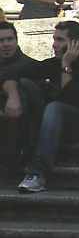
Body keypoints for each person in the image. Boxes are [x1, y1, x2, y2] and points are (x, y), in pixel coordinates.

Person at [5, 20, 79, 194]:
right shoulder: (55, 62)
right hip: (57, 121)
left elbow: (71, 100)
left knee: (55, 107)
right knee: (24, 84)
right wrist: (13, 96)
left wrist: (66, 67)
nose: (54, 44)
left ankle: (37, 173)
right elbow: (14, 74)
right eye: (54, 39)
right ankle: (23, 147)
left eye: (60, 40)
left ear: (75, 43)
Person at [0, 23, 37, 168]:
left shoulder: (31, 66)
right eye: (1, 41)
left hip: (16, 119)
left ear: (16, 41)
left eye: (10, 39)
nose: (6, 44)